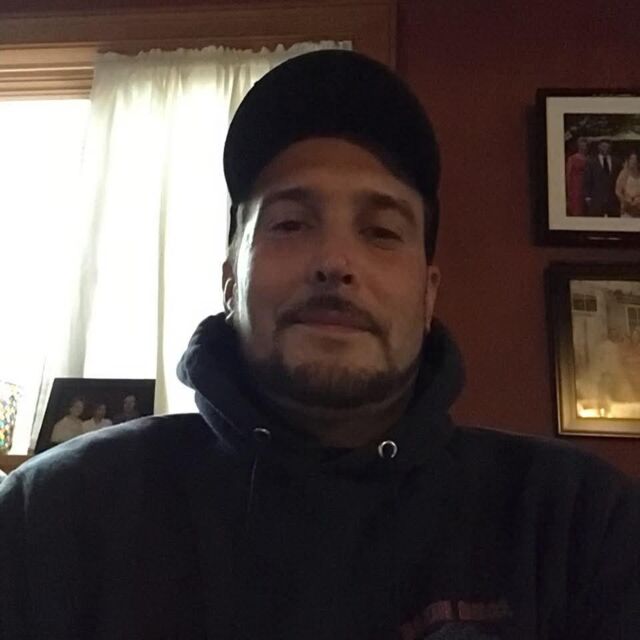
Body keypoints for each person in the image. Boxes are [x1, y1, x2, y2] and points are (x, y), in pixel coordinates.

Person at [0, 50, 638, 640]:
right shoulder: (50, 518)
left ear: (428, 294)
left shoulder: (580, 526)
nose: (334, 261)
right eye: (290, 224)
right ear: (230, 279)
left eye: (381, 231)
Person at [583, 139, 622, 216]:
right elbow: (587, 180)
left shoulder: (617, 162)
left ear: (610, 148)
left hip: (613, 199)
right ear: (599, 147)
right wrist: (587, 196)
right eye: (603, 146)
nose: (605, 148)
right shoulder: (591, 162)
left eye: (607, 146)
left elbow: (620, 180)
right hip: (596, 198)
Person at [565, 136, 589, 216]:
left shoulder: (589, 158)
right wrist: (569, 190)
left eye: (585, 145)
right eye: (581, 145)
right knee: (577, 208)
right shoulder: (572, 158)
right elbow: (568, 174)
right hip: (575, 187)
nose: (583, 147)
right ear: (578, 146)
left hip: (586, 186)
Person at [615, 151, 640, 217]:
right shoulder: (623, 174)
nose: (633, 161)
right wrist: (625, 202)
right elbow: (617, 191)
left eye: (635, 159)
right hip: (627, 209)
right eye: (631, 159)